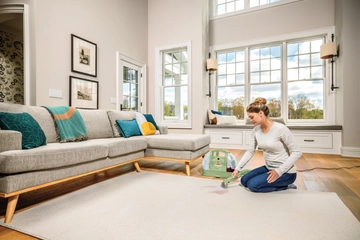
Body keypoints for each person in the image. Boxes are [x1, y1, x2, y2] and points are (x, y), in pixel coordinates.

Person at [232, 97, 302, 192]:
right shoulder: (256, 130)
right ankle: (274, 182)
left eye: (252, 117)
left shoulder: (280, 129)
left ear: (261, 113)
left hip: (286, 172)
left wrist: (279, 171)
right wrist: (237, 168)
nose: (251, 120)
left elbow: (297, 152)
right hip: (269, 168)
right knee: (244, 181)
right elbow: (250, 151)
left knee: (252, 185)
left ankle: (286, 185)